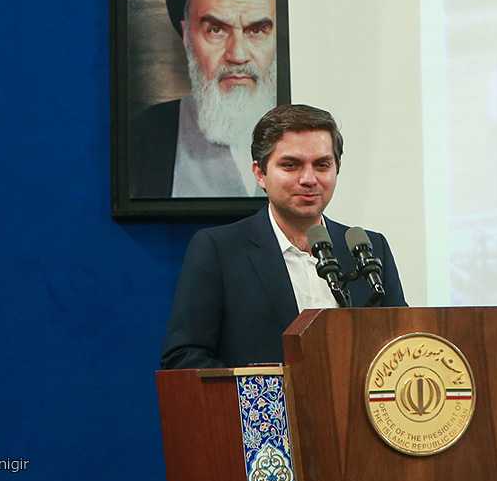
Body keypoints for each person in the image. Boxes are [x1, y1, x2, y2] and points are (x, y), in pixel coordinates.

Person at [160, 105, 407, 369]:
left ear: (337, 169)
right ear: (260, 174)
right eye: (291, 165)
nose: (309, 179)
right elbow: (183, 357)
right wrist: (265, 389)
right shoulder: (219, 250)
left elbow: (405, 347)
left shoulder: (368, 248)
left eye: (322, 165)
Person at [130, 0, 277, 199]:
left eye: (257, 30)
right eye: (216, 30)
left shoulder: (312, 128)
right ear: (187, 35)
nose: (238, 55)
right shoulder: (142, 140)